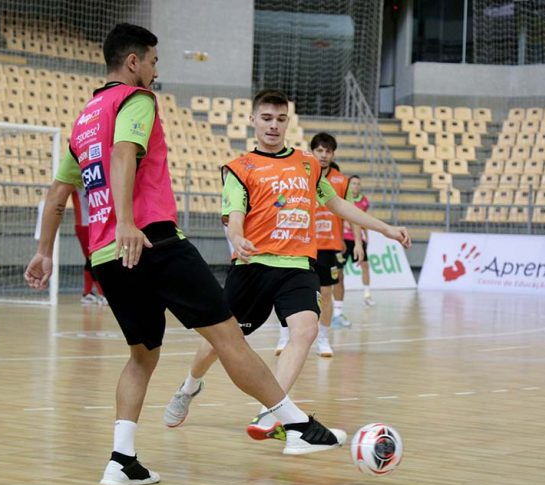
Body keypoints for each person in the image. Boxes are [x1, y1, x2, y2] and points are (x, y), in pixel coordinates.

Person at [23, 24, 347, 485]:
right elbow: (122, 155)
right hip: (151, 240)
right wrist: (129, 222)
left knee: (141, 356)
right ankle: (296, 426)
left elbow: (57, 196)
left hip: (105, 254)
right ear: (133, 62)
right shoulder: (135, 101)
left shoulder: (83, 120)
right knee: (229, 338)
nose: (157, 71)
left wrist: (43, 251)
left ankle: (122, 459)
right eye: (154, 61)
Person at [163, 89, 411, 441]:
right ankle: (189, 387)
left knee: (306, 330)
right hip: (253, 266)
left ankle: (271, 412)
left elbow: (337, 204)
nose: (273, 126)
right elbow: (234, 214)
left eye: (280, 119)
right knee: (220, 342)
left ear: (287, 122)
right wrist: (237, 236)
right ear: (253, 120)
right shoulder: (239, 169)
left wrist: (385, 228)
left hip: (296, 265)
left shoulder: (308, 165)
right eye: (266, 118)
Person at [277, 134, 350, 358]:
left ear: (333, 154)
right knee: (286, 292)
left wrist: (352, 241)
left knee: (326, 293)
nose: (324, 155)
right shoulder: (300, 174)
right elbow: (280, 199)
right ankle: (283, 336)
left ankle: (323, 340)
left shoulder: (341, 181)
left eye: (328, 151)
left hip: (328, 246)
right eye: (320, 150)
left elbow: (348, 209)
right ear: (312, 152)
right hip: (300, 244)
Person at [341, 175, 374, 306]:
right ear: (349, 185)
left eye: (358, 184)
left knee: (365, 266)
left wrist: (367, 236)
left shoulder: (364, 201)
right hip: (344, 239)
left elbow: (364, 220)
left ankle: (367, 295)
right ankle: (336, 297)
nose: (356, 186)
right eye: (353, 183)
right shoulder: (342, 200)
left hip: (358, 240)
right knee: (339, 269)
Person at [71, 189, 107, 304]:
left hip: (95, 223)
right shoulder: (76, 182)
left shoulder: (94, 180)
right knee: (92, 259)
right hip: (84, 226)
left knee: (91, 259)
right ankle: (102, 294)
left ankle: (88, 293)